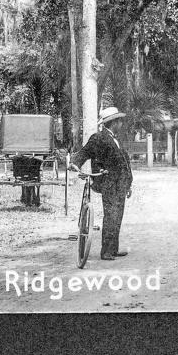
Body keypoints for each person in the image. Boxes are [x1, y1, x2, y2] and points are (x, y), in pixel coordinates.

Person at [69, 106, 133, 261]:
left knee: (118, 216)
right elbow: (85, 152)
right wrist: (74, 163)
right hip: (108, 182)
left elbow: (124, 163)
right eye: (119, 121)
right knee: (111, 216)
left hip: (120, 184)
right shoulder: (98, 138)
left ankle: (113, 249)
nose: (121, 124)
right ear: (113, 122)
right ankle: (106, 252)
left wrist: (129, 184)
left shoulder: (116, 139)